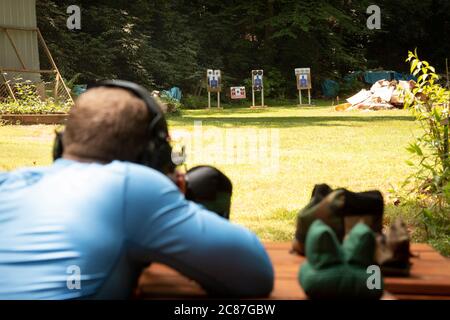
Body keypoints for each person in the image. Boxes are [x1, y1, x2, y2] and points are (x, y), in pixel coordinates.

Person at [0, 81, 274, 300]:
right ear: (153, 156)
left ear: (61, 143)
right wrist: (179, 201)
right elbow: (255, 272)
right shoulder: (132, 184)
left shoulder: (10, 183)